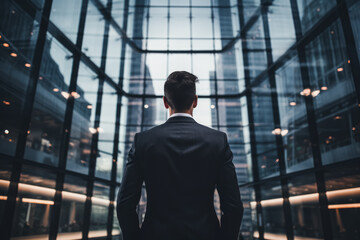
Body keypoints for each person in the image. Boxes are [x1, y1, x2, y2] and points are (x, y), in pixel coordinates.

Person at [116, 71, 243, 240]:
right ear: (195, 101)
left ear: (165, 102)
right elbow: (233, 206)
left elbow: (125, 205)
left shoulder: (143, 141)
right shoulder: (217, 141)